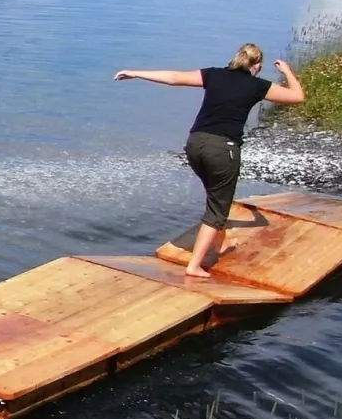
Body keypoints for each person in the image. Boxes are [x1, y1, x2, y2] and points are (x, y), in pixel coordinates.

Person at [114, 43, 304, 277]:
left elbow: (174, 77)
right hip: (223, 150)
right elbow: (297, 96)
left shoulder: (214, 74)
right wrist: (286, 71)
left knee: (216, 198)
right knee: (217, 209)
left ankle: (219, 243)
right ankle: (194, 266)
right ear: (257, 66)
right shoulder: (257, 85)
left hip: (195, 145)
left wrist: (135, 73)